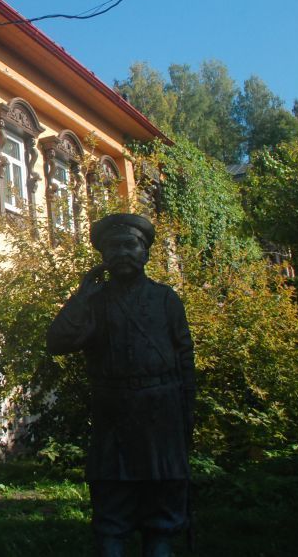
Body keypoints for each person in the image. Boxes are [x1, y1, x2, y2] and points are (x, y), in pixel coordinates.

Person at [47, 213, 195, 557]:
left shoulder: (165, 299)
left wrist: (188, 412)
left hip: (161, 415)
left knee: (163, 514)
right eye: (113, 247)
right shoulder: (94, 302)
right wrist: (80, 297)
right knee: (111, 515)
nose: (122, 253)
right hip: (114, 417)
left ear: (145, 252)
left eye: (130, 245)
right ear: (103, 257)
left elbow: (184, 357)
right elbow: (57, 342)